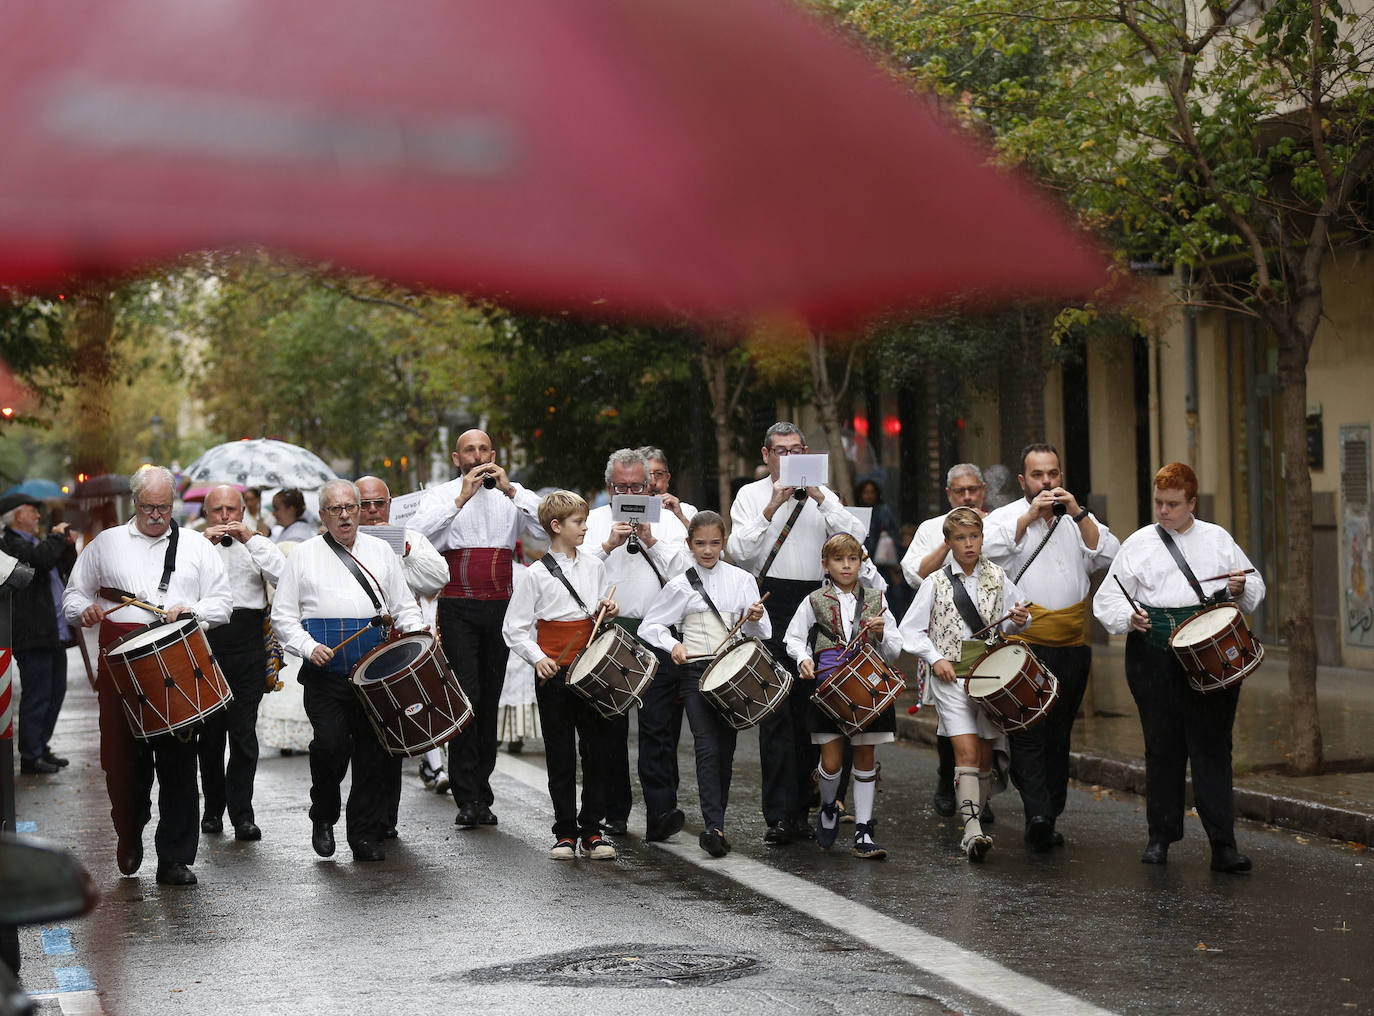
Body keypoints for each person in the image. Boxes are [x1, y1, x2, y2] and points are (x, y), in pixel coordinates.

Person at [63, 466, 233, 886]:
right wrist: (82, 611)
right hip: (120, 664)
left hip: (178, 660)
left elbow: (224, 603)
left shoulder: (195, 545)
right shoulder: (107, 544)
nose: (157, 515)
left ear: (172, 504)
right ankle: (129, 829)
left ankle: (175, 858)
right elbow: (73, 595)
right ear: (134, 504)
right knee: (122, 764)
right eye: (148, 507)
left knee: (178, 764)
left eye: (163, 507)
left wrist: (193, 611)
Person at [1093, 462, 1264, 874]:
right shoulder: (1138, 543)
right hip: (1153, 656)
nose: (1164, 511)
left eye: (1173, 504)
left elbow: (1255, 586)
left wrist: (1241, 587)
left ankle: (1223, 845)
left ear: (1192, 502)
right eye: (1158, 503)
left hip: (1211, 657)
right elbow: (1107, 600)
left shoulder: (1217, 539)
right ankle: (1160, 838)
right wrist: (1129, 618)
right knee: (1162, 746)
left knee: (1213, 748)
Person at [271, 479, 424, 864]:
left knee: (373, 755)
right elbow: (283, 617)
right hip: (325, 673)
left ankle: (363, 834)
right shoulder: (303, 555)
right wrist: (307, 647)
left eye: (350, 508)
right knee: (331, 746)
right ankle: (323, 814)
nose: (344, 516)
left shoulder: (381, 552)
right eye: (335, 509)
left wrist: (418, 635)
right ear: (322, 515)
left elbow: (404, 606)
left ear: (358, 510)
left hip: (375, 674)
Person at [727, 422, 866, 844]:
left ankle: (811, 806)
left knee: (817, 710)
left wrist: (821, 496)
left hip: (817, 602)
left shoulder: (824, 495)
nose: (788, 458)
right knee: (775, 714)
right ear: (767, 455)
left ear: (806, 453)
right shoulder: (750, 497)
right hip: (771, 600)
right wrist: (771, 506)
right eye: (780, 451)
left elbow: (856, 539)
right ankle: (780, 814)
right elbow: (738, 554)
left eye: (796, 451)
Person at [983, 443, 1119, 850]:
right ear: (1023, 480)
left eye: (1053, 474)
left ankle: (1050, 812)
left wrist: (1077, 514)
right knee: (1028, 732)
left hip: (1072, 643)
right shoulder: (1007, 519)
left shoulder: (1076, 517)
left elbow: (1109, 553)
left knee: (1060, 732)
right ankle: (1037, 812)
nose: (1047, 483)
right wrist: (1028, 517)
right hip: (1025, 645)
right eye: (1039, 476)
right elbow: (986, 554)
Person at [410, 429, 543, 831]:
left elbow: (544, 531)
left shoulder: (512, 496)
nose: (478, 455)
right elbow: (416, 537)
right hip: (458, 607)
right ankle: (466, 796)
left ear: (494, 454)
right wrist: (460, 499)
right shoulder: (441, 495)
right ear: (457, 458)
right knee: (465, 697)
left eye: (484, 449)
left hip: (501, 605)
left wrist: (515, 492)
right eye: (470, 450)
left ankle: (482, 792)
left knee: (488, 699)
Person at [899, 507, 1030, 863]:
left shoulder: (999, 576)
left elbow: (1018, 620)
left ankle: (976, 821)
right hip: (951, 677)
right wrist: (934, 658)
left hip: (989, 676)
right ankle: (971, 831)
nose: (969, 544)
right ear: (949, 542)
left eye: (974, 537)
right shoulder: (936, 582)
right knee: (967, 753)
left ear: (982, 538)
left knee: (986, 755)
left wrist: (1020, 618)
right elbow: (909, 630)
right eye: (960, 538)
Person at [639, 511, 767, 857]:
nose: (707, 550)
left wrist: (754, 619)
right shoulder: (680, 583)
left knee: (725, 751)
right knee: (707, 746)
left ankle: (717, 822)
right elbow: (649, 627)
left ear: (724, 542)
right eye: (700, 543)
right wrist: (674, 645)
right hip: (695, 674)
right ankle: (714, 827)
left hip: (732, 674)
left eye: (714, 543)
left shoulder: (742, 580)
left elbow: (762, 633)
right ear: (689, 544)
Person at [502, 490, 620, 860]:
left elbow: (599, 615)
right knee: (560, 752)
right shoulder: (535, 575)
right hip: (554, 672)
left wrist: (609, 609)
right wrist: (538, 659)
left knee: (598, 750)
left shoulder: (595, 567)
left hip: (592, 670)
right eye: (578, 522)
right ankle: (565, 832)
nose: (585, 528)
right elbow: (515, 628)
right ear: (556, 526)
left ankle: (592, 831)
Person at [587, 448, 693, 836]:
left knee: (658, 728)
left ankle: (661, 813)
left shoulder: (668, 522)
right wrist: (606, 547)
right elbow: (574, 574)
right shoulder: (594, 520)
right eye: (621, 486)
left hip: (659, 633)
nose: (630, 492)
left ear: (650, 485)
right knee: (610, 729)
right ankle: (615, 811)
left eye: (637, 485)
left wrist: (652, 541)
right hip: (611, 634)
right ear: (609, 487)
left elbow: (689, 576)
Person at [783, 533, 902, 859]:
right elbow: (793, 638)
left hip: (868, 685)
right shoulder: (814, 599)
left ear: (861, 563)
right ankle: (828, 805)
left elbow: (894, 649)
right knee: (832, 762)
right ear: (826, 565)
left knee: (865, 756)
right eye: (838, 560)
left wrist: (882, 633)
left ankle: (864, 830)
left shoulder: (878, 599)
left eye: (852, 559)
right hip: (830, 683)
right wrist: (804, 658)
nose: (846, 565)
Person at [355, 475, 451, 825]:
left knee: (394, 732)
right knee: (360, 739)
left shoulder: (409, 538)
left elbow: (438, 578)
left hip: (400, 647)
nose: (372, 511)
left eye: (379, 503)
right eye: (364, 504)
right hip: (358, 646)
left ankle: (386, 819)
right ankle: (361, 817)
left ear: (391, 503)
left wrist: (405, 551)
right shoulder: (343, 542)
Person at [195, 484, 286, 842]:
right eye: (217, 510)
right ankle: (213, 810)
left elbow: (284, 575)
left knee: (244, 734)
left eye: (231, 510)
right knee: (211, 736)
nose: (225, 517)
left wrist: (250, 539)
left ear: (243, 511)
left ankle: (242, 814)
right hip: (209, 644)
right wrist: (204, 545)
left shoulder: (257, 543)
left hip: (248, 643)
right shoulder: (194, 547)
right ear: (206, 514)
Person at [898, 463, 989, 819]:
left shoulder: (995, 524)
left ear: (982, 490)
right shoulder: (929, 528)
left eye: (973, 490)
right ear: (949, 494)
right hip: (943, 638)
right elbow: (916, 575)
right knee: (947, 716)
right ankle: (945, 778)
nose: (967, 496)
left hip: (984, 637)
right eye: (959, 491)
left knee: (986, 719)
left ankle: (982, 795)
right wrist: (949, 538)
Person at [2, 493, 77, 775]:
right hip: (32, 634)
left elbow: (63, 568)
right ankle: (30, 756)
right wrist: (56, 538)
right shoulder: (10, 544)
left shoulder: (35, 542)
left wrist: (67, 547)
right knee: (37, 695)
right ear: (17, 515)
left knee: (56, 692)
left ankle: (41, 746)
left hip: (52, 632)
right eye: (32, 512)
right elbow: (40, 560)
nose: (37, 517)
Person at [853, 479, 900, 567]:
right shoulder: (856, 513)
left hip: (882, 558)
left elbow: (893, 532)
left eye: (872, 492)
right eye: (865, 492)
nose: (869, 496)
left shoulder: (883, 511)